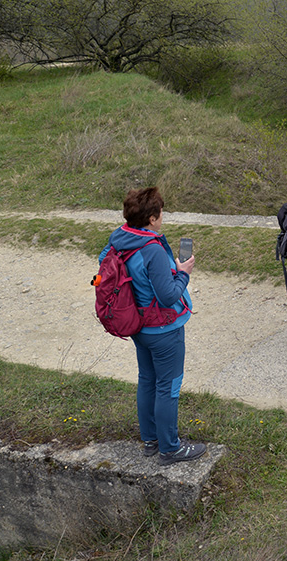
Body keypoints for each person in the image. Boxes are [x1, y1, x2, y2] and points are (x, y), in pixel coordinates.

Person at [100, 187, 203, 465]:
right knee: (168, 387)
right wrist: (183, 274)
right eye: (160, 214)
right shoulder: (152, 249)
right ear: (153, 218)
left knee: (147, 380)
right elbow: (168, 295)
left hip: (137, 326)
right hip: (163, 329)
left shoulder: (119, 239)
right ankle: (170, 449)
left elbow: (104, 265)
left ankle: (150, 440)